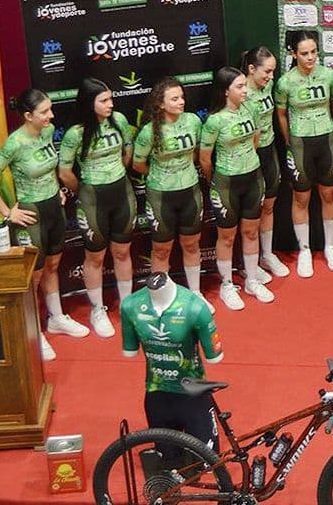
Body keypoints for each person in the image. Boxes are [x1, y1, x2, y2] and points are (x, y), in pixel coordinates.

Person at [0, 88, 81, 361]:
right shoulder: (14, 143)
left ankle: (56, 318)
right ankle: (33, 331)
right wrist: (8, 213)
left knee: (53, 266)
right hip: (31, 213)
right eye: (44, 112)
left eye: (50, 109)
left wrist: (57, 189)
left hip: (54, 208)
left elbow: (49, 168)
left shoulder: (47, 132)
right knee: (33, 276)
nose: (51, 115)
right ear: (28, 116)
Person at [57, 77, 135, 338]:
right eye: (104, 101)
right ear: (89, 103)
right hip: (93, 199)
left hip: (122, 192)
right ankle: (97, 310)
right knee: (95, 257)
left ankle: (127, 305)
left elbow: (128, 150)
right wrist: (84, 190)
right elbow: (65, 172)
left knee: (122, 251)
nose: (110, 104)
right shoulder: (75, 134)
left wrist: (117, 172)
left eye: (111, 99)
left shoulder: (119, 120)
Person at [119, 272, 223, 452]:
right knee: (168, 462)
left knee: (208, 460)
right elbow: (130, 350)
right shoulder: (130, 306)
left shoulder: (195, 307)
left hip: (193, 393)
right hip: (157, 392)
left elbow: (214, 356)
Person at [199, 66, 273, 311]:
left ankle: (252, 280)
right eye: (239, 87)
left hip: (253, 177)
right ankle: (227, 284)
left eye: (245, 85)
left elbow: (256, 139)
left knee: (251, 232)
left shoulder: (251, 109)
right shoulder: (214, 121)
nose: (245, 91)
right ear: (225, 91)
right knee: (227, 236)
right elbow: (205, 158)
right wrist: (216, 180)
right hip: (226, 183)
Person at [275, 30, 333, 278]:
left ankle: (330, 246)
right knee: (301, 198)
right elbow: (282, 114)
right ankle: (304, 249)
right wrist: (289, 141)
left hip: (326, 140)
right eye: (304, 53)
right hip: (300, 143)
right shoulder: (285, 82)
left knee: (329, 194)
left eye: (314, 52)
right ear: (294, 54)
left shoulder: (329, 77)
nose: (311, 57)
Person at [133, 77, 205, 298]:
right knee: (162, 249)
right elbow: (138, 164)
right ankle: (160, 297)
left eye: (181, 97)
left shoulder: (193, 121)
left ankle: (195, 293)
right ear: (161, 104)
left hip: (190, 190)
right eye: (174, 99)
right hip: (161, 195)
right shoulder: (149, 131)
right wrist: (160, 175)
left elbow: (197, 152)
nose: (181, 102)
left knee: (192, 244)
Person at [242, 46, 291, 279]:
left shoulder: (268, 86)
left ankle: (267, 254)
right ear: (252, 69)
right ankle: (246, 263)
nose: (271, 77)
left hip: (269, 150)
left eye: (273, 71)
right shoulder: (240, 93)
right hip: (248, 158)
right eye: (267, 71)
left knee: (269, 205)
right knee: (250, 212)